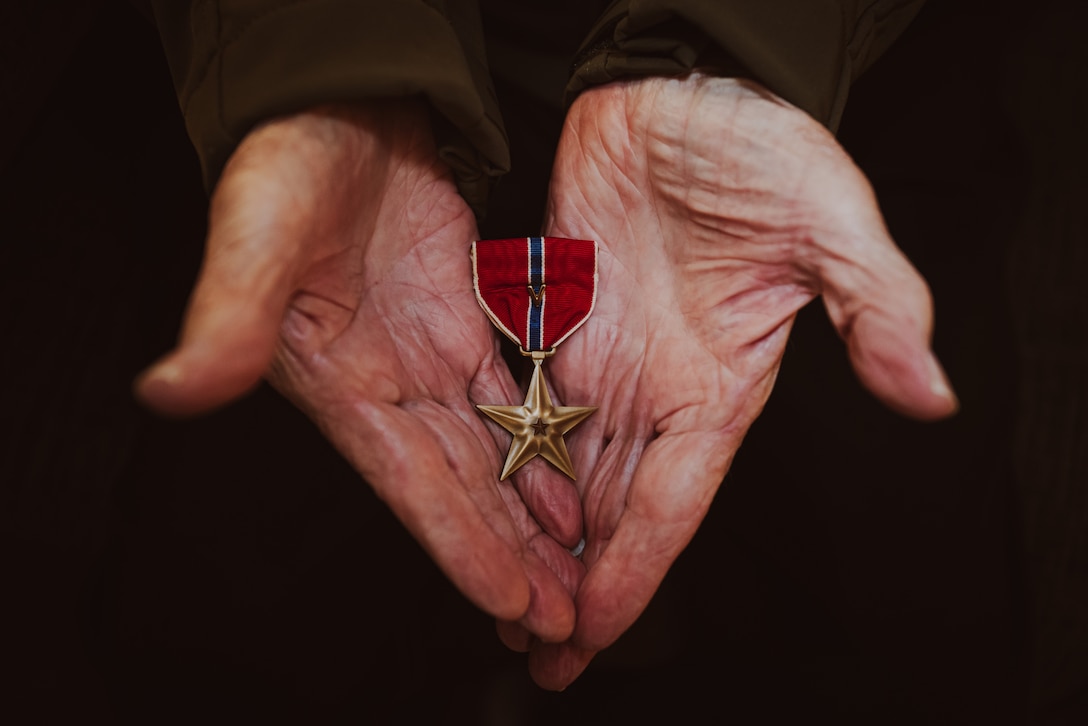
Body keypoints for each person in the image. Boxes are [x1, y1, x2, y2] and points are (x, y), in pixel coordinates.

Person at [132, 0, 960, 691]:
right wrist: (317, 62)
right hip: (367, 103)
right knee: (244, 597)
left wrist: (727, 52)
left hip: (828, 89)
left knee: (892, 582)